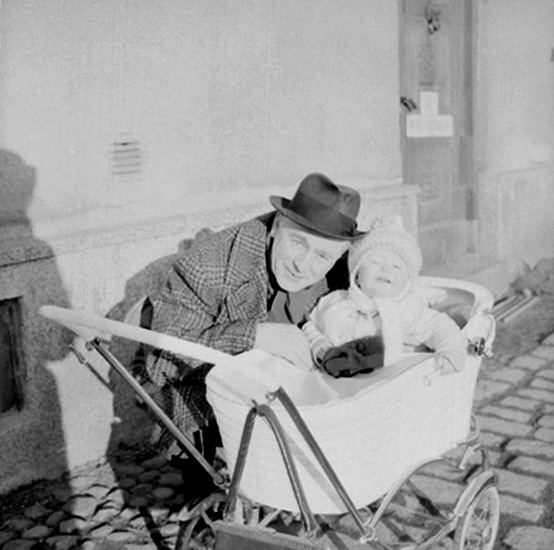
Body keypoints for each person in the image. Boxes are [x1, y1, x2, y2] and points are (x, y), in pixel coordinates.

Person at [141, 172, 366, 460]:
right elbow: (161, 362)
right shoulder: (209, 265)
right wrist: (254, 335)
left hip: (288, 392)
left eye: (322, 256)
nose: (302, 265)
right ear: (277, 225)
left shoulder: (343, 270)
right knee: (207, 452)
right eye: (298, 242)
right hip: (204, 389)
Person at [302, 215, 467, 378]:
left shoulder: (408, 308)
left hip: (390, 384)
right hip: (338, 385)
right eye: (375, 262)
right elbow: (310, 326)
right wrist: (318, 344)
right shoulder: (335, 301)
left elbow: (438, 326)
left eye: (397, 267)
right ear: (357, 275)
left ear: (407, 283)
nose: (386, 269)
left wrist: (450, 349)